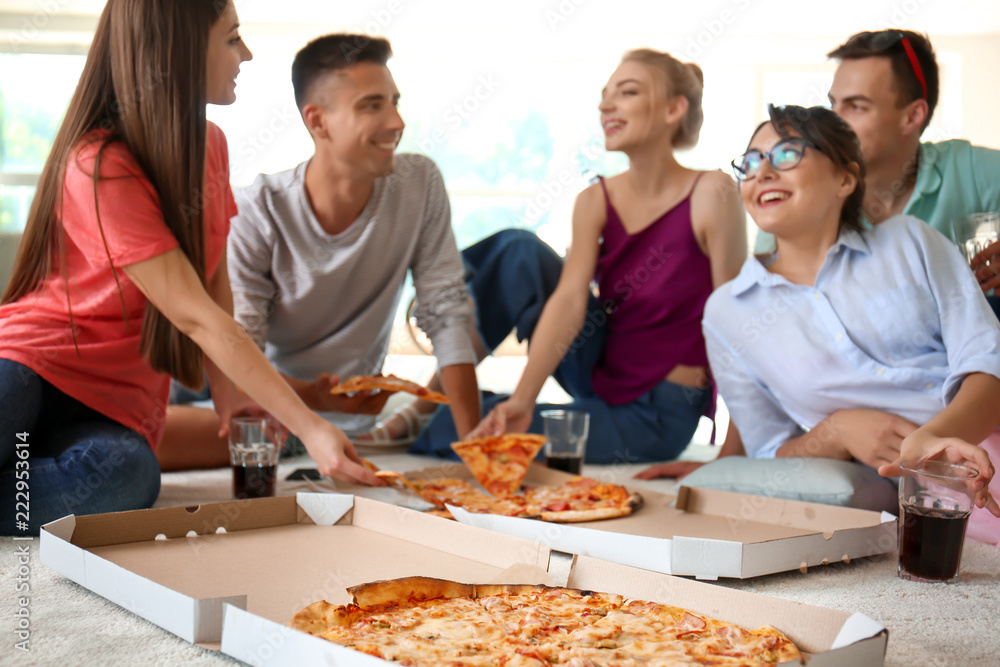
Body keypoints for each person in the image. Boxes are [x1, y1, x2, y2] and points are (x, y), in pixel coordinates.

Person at [0, 0, 379, 535]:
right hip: (30, 363)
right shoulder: (97, 164)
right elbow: (197, 317)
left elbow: (214, 284)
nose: (245, 54)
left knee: (129, 478)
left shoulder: (210, 146)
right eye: (231, 39)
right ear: (174, 52)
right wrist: (311, 427)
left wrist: (232, 398)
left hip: (110, 405)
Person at [156, 33, 482, 470]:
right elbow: (238, 348)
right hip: (251, 388)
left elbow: (446, 313)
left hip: (319, 416)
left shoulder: (418, 183)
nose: (396, 122)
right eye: (372, 105)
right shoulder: (260, 209)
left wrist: (477, 455)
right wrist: (314, 400)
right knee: (141, 444)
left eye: (395, 102)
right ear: (318, 121)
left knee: (507, 259)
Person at [408, 48, 747, 464]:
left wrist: (731, 456)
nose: (606, 105)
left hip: (656, 412)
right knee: (520, 251)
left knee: (454, 430)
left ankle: (437, 412)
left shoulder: (714, 192)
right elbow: (569, 300)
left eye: (627, 92)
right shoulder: (594, 200)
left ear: (674, 108)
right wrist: (523, 400)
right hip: (599, 368)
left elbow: (737, 320)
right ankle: (432, 402)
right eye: (605, 95)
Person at [701, 104, 999, 541]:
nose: (762, 171)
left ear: (845, 177)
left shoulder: (910, 241)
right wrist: (835, 431)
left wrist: (928, 443)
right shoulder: (728, 312)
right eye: (750, 162)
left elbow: (989, 363)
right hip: (921, 507)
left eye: (786, 154)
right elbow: (768, 454)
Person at [756, 30, 1000, 316]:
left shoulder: (969, 169)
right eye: (833, 103)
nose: (834, 119)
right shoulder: (799, 199)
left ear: (913, 116)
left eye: (856, 106)